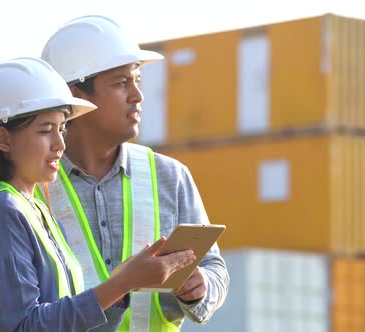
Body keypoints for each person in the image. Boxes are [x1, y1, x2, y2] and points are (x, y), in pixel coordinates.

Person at [0, 57, 196, 332]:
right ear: (4, 140)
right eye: (46, 131)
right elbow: (24, 325)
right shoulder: (1, 211)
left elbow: (64, 319)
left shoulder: (36, 210)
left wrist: (123, 286)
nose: (60, 144)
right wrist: (122, 283)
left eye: (62, 129)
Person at [41, 15, 229, 331]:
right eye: (121, 83)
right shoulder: (33, 188)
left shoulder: (172, 177)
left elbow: (213, 266)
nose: (138, 96)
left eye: (137, 81)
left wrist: (202, 288)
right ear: (77, 96)